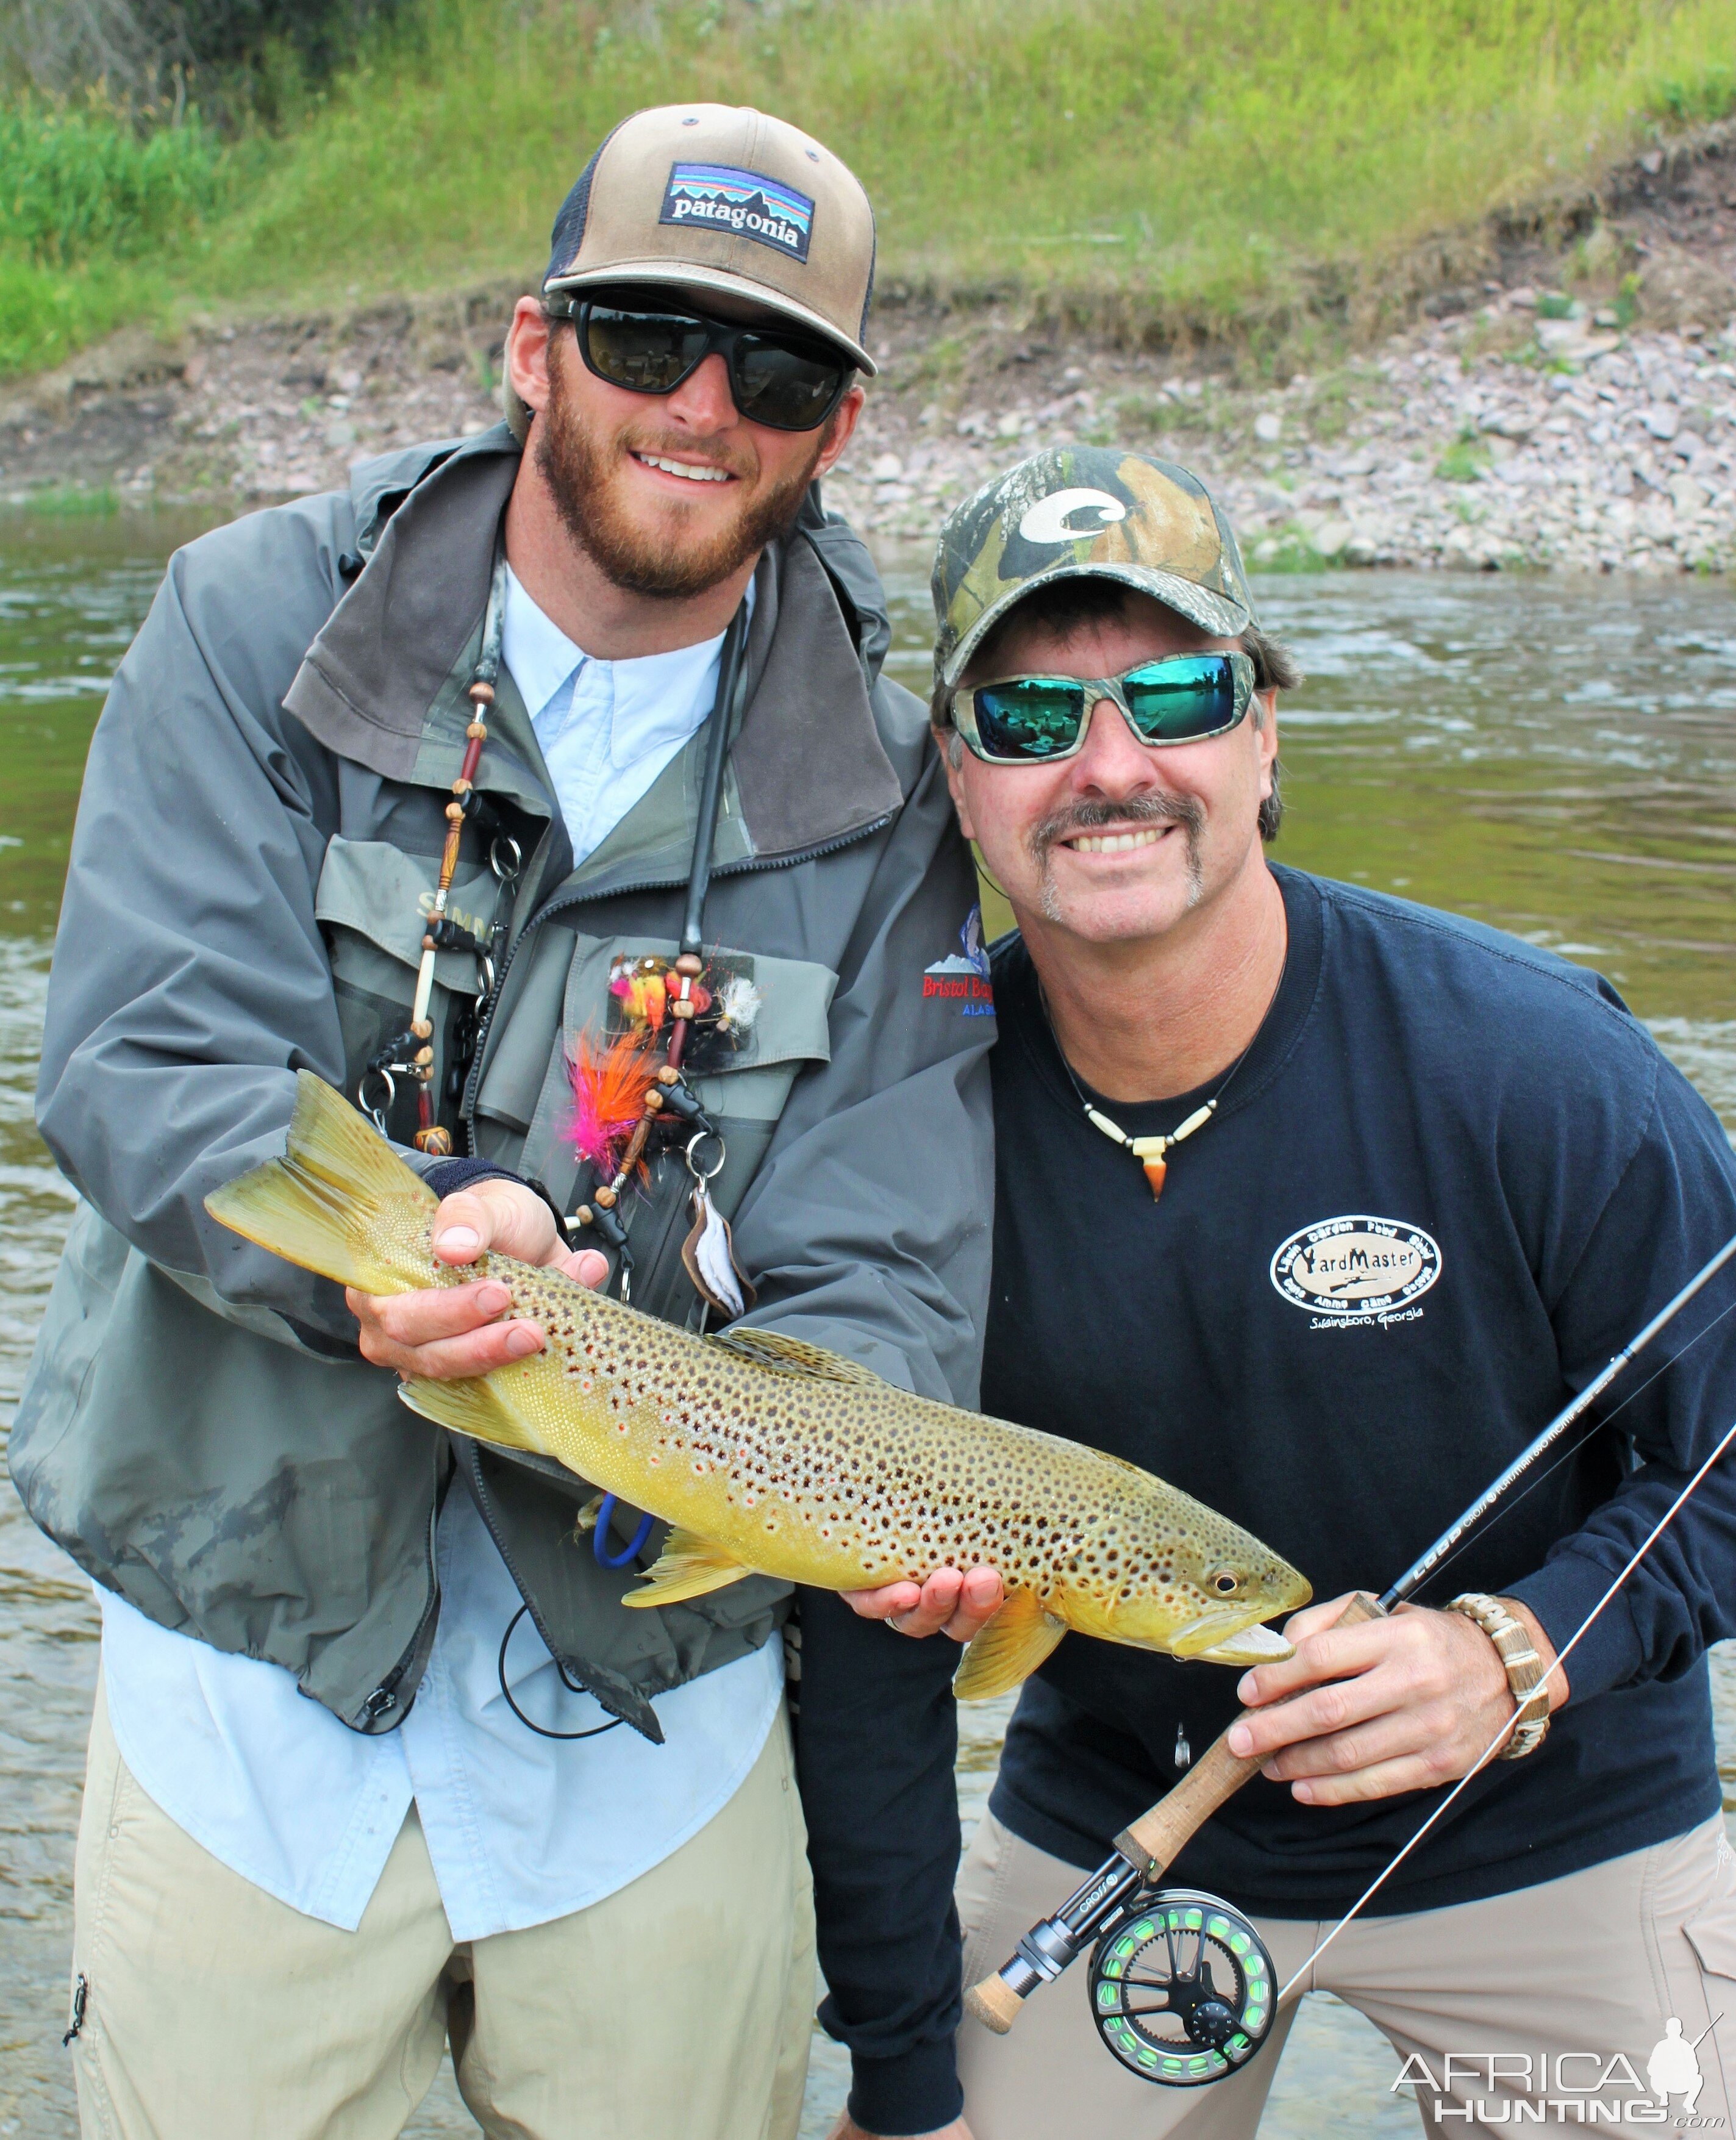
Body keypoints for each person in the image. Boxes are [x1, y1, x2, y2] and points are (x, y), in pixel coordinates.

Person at [12, 102, 995, 2140]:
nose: (705, 407)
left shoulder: (891, 787)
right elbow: (144, 1062)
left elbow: (890, 1240)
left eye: (780, 369)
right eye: (648, 338)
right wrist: (397, 1259)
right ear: (532, 344)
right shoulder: (253, 625)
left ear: (838, 425)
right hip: (253, 1682)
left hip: (657, 1727)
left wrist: (887, 1492)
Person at [798, 447, 1736, 2139]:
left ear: (1266, 729)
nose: (1109, 769)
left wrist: (1519, 1651)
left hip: (1553, 1826)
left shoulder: (1543, 1069)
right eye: (1028, 722)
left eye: (1175, 696)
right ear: (954, 772)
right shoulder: (904, 1118)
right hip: (1121, 1830)